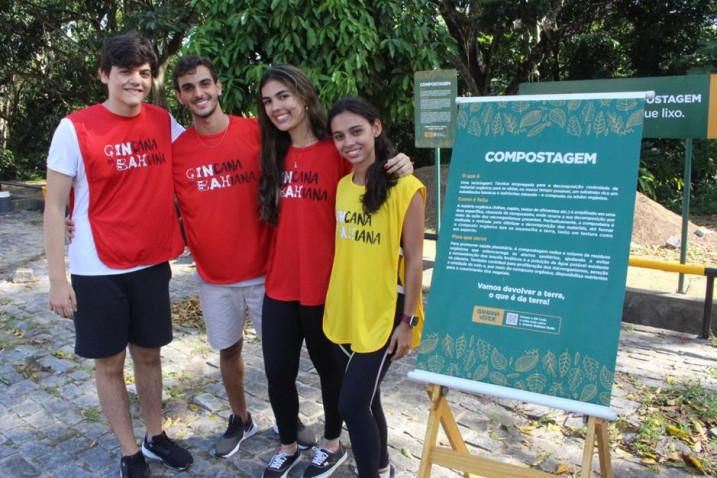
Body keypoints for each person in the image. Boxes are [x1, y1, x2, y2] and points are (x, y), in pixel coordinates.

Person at [43, 32, 192, 478]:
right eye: (126, 72)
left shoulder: (163, 122)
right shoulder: (75, 127)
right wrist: (57, 279)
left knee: (149, 354)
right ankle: (129, 453)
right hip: (96, 266)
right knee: (109, 362)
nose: (136, 81)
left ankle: (155, 436)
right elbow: (53, 206)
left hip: (150, 263)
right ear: (104, 74)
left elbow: (210, 145)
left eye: (144, 73)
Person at [257, 64, 413, 478]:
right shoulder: (271, 152)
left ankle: (331, 443)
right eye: (268, 101)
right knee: (276, 372)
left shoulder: (337, 150)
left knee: (333, 376)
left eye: (284, 96)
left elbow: (376, 178)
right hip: (280, 283)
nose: (277, 107)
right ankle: (287, 443)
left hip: (328, 287)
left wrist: (402, 164)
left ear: (305, 96)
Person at [170, 54, 315, 457]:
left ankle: (290, 418)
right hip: (215, 275)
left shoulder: (257, 131)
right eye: (188, 88)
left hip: (269, 270)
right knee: (228, 349)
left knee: (280, 356)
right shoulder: (177, 152)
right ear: (181, 97)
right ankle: (241, 417)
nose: (198, 93)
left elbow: (311, 154)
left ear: (217, 86)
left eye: (204, 84)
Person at [323, 97, 425, 478]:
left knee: (350, 406)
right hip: (348, 310)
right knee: (368, 399)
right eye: (338, 136)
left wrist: (409, 322)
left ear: (376, 128)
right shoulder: (343, 187)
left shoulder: (406, 187)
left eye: (356, 131)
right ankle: (382, 467)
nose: (348, 142)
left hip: (387, 315)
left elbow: (415, 260)